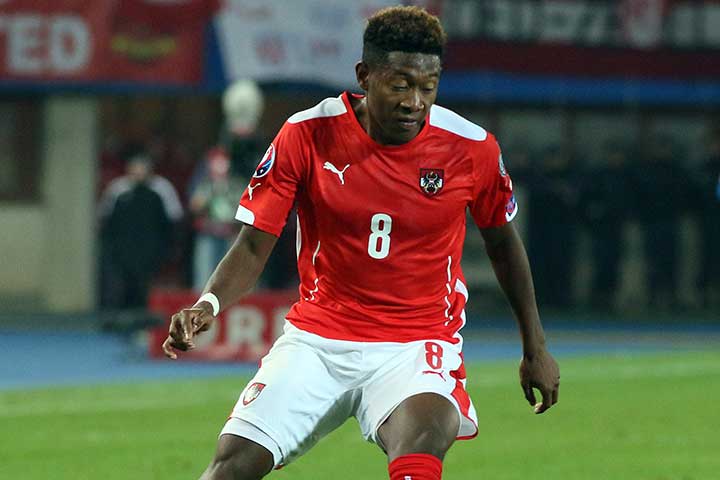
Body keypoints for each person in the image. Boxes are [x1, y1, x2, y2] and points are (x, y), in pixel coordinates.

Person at [162, 6, 560, 480]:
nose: (414, 102)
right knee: (228, 468)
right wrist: (207, 304)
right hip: (317, 341)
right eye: (400, 85)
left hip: (416, 345)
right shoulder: (306, 134)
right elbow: (253, 244)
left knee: (421, 451)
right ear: (364, 76)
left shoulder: (471, 148)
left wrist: (534, 346)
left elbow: (503, 245)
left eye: (428, 87)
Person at [99, 151, 183, 309]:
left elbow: (174, 219)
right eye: (134, 170)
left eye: (142, 170)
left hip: (151, 247)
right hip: (123, 247)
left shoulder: (162, 188)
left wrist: (167, 247)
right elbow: (106, 219)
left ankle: (145, 316)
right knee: (121, 286)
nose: (138, 174)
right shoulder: (118, 189)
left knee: (145, 287)